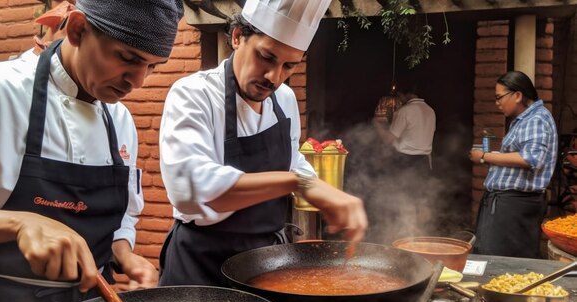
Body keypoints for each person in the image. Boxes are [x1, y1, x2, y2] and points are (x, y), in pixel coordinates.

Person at [0, 0, 183, 302]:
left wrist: (124, 254)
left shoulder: (119, 120)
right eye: (128, 58)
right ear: (77, 29)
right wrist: (19, 224)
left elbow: (121, 217)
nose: (137, 81)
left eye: (152, 66)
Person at [159, 0, 368, 286]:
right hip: (200, 266)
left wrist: (322, 191)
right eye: (266, 57)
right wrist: (299, 183)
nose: (274, 77)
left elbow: (291, 159)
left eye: (289, 66)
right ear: (236, 37)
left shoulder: (285, 100)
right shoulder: (193, 95)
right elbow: (193, 188)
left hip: (264, 263)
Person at [469, 71, 558, 258]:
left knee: (502, 261)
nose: (497, 103)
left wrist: (485, 156)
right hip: (505, 203)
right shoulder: (523, 120)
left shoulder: (536, 119)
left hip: (514, 206)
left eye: (499, 97)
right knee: (490, 256)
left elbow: (531, 158)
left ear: (517, 95)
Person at [372, 84, 436, 237]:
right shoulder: (430, 110)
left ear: (406, 94)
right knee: (420, 201)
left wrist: (377, 125)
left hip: (406, 162)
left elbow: (389, 139)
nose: (399, 98)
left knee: (405, 203)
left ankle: (406, 238)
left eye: (400, 95)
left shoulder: (405, 111)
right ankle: (421, 235)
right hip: (424, 163)